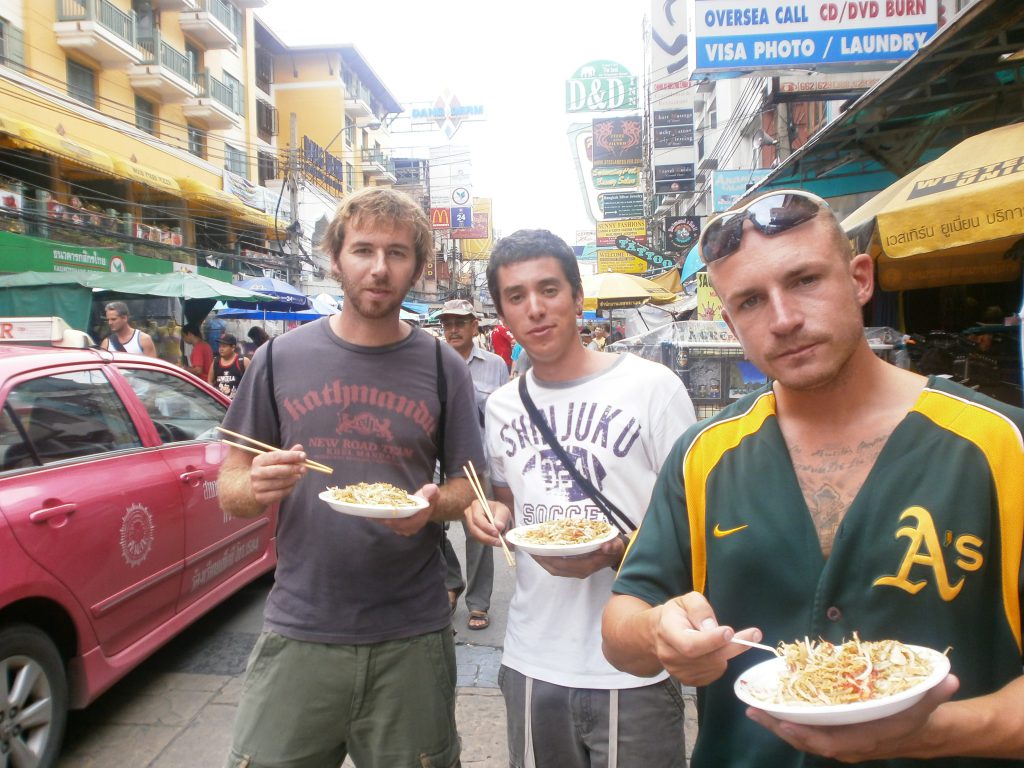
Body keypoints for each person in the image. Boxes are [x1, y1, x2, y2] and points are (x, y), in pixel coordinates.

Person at [601, 189, 1024, 768]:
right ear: (729, 323)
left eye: (804, 280)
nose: (783, 319)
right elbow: (622, 622)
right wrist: (658, 633)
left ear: (859, 279)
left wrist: (932, 732)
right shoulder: (705, 455)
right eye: (750, 301)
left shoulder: (1002, 448)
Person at [218, 187, 484, 768]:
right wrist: (254, 484)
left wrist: (433, 505)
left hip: (411, 637)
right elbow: (230, 486)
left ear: (418, 267)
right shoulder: (278, 360)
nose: (380, 268)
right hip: (300, 626)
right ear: (335, 259)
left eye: (398, 253)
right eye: (363, 249)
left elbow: (472, 485)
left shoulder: (444, 367)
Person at [464, 229, 697, 768]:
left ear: (577, 297)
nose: (536, 309)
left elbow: (695, 527)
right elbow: (508, 505)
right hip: (531, 661)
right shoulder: (502, 407)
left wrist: (618, 552)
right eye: (517, 297)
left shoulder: (653, 388)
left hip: (634, 662)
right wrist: (490, 514)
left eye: (549, 289)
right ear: (502, 313)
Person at [437, 298, 509, 631]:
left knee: (480, 535)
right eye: (448, 323)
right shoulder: (430, 361)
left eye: (460, 323)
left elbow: (503, 416)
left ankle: (478, 603)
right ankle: (451, 580)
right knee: (429, 529)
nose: (453, 329)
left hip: (478, 463)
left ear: (474, 326)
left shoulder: (494, 365)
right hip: (438, 463)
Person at [210, 333, 248, 398]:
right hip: (220, 404)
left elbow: (252, 383)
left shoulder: (243, 361)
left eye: (224, 346)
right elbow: (210, 382)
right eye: (220, 346)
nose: (221, 349)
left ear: (233, 347)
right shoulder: (216, 362)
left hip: (239, 404)